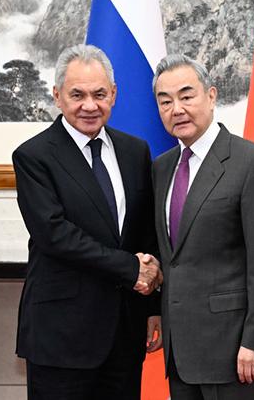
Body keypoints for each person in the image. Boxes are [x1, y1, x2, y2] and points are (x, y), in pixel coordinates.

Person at [12, 44, 163, 400]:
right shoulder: (34, 156)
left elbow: (145, 232)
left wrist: (152, 307)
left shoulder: (135, 151)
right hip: (61, 336)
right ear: (57, 96)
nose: (90, 106)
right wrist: (130, 268)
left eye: (99, 94)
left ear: (114, 94)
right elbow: (55, 235)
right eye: (77, 95)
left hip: (124, 334)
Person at [151, 54, 254, 400]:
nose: (177, 109)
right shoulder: (161, 169)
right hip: (179, 351)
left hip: (233, 351)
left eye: (186, 96)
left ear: (211, 96)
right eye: (165, 101)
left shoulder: (253, 163)